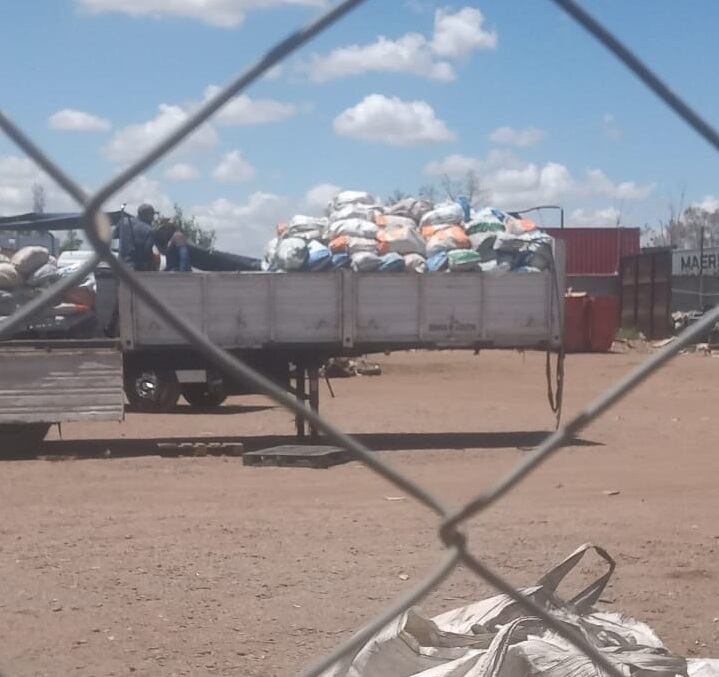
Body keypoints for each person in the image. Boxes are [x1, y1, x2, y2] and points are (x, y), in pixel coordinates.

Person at [113, 203, 158, 271]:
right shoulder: (149, 230)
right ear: (147, 214)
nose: (153, 218)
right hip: (137, 268)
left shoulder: (124, 222)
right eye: (152, 215)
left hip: (121, 266)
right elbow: (147, 252)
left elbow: (114, 236)